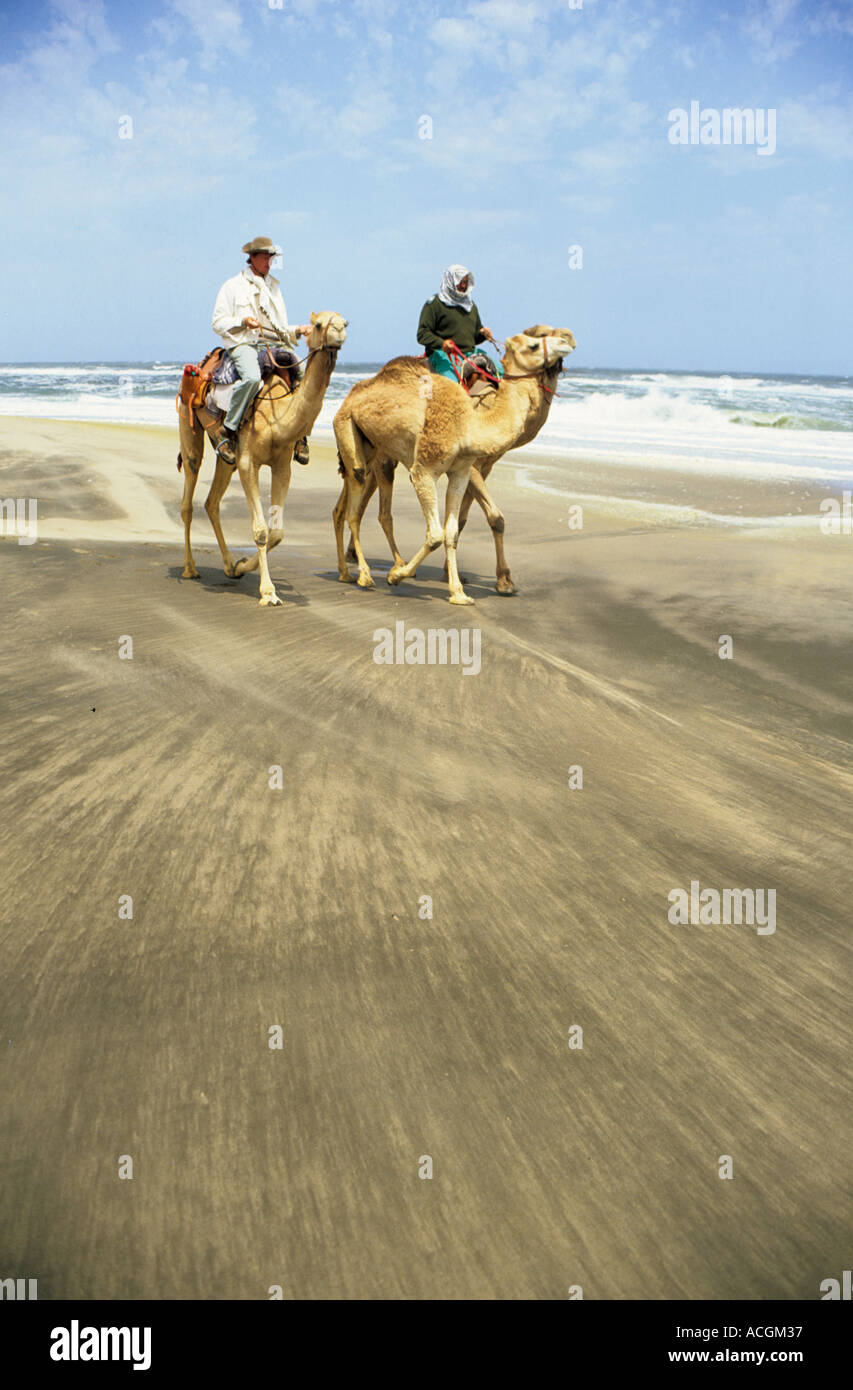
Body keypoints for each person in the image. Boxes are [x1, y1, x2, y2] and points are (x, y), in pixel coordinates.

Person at [211, 236, 312, 465]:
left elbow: (280, 326)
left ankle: (301, 436)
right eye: (265, 257)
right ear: (252, 258)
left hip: (273, 344)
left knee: (304, 374)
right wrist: (242, 322)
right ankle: (227, 431)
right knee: (251, 378)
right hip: (244, 342)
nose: (269, 261)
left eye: (271, 257)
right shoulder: (232, 286)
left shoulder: (274, 288)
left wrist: (298, 330)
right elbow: (217, 322)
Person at [416, 265, 503, 384]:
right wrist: (442, 344)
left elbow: (472, 339)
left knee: (501, 373)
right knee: (452, 386)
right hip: (442, 355)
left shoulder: (470, 306)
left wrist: (483, 334)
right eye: (460, 282)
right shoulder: (435, 303)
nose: (463, 286)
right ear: (450, 281)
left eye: (466, 282)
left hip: (470, 354)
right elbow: (422, 334)